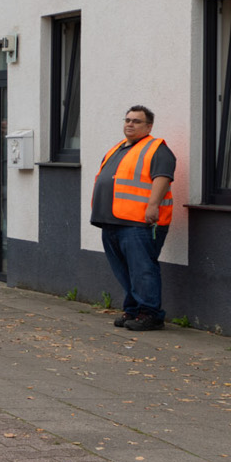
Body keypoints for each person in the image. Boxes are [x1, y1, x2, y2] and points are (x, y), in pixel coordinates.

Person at [93, 105, 175, 331]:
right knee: (125, 270)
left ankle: (150, 314)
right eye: (127, 120)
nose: (130, 124)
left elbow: (163, 177)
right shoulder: (117, 149)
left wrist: (153, 206)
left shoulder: (157, 149)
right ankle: (133, 310)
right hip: (112, 221)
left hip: (139, 223)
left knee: (142, 269)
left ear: (149, 126)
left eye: (136, 121)